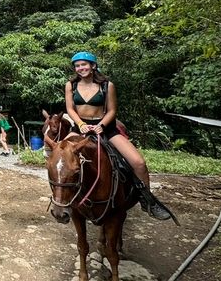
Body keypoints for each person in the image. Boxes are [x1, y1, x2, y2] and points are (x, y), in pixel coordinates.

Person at [65, 51, 172, 220]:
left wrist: (101, 125)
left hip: (105, 127)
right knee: (57, 157)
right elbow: (70, 109)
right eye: (77, 66)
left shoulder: (107, 85)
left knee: (139, 163)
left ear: (93, 66)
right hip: (80, 127)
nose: (80, 68)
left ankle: (147, 201)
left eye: (84, 64)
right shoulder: (71, 85)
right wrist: (81, 124)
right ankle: (61, 199)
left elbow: (113, 110)